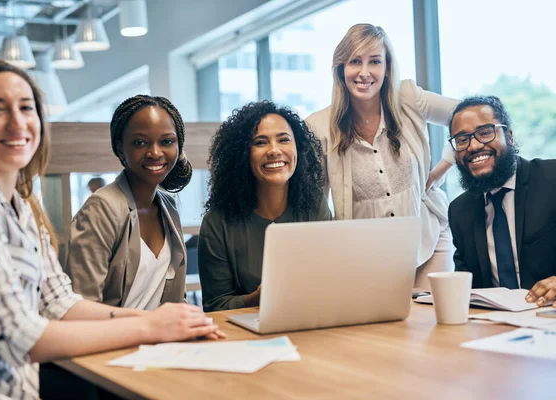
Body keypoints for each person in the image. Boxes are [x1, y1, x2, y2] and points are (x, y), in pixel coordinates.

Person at [0, 60, 222, 400]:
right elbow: (17, 335)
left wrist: (169, 322)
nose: (17, 121)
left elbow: (60, 302)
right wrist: (149, 326)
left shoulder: (22, 206)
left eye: (26, 107)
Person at [306, 24, 459, 289]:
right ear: (341, 68)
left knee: (429, 322)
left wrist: (443, 167)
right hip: (366, 259)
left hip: (429, 240)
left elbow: (466, 115)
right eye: (355, 61)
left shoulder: (409, 98)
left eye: (374, 61)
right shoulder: (318, 127)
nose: (364, 73)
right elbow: (315, 203)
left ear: (387, 68)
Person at [199, 101, 331, 312]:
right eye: (260, 142)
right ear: (242, 154)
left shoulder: (315, 206)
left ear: (298, 148)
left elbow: (328, 283)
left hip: (309, 325)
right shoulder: (217, 222)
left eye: (284, 140)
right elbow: (215, 305)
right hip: (245, 337)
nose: (274, 150)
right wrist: (257, 298)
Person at [65, 95, 190, 310]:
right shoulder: (101, 209)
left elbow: (174, 298)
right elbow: (81, 306)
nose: (155, 152)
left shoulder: (168, 206)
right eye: (140, 142)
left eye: (167, 141)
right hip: (112, 339)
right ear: (120, 148)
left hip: (160, 339)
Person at [447, 95, 556, 308]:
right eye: (462, 140)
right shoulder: (460, 211)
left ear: (509, 136)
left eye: (485, 132)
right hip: (495, 328)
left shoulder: (552, 179)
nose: (473, 146)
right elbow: (468, 290)